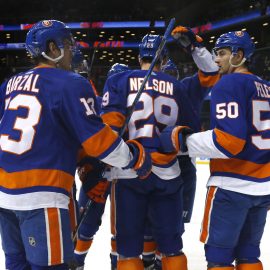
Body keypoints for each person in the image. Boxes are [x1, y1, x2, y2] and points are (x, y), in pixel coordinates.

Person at [0, 20, 151, 270]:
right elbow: (99, 143)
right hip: (41, 196)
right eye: (68, 45)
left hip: (4, 195)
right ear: (52, 47)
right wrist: (133, 157)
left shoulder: (9, 84)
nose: (72, 51)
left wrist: (85, 162)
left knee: (17, 265)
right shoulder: (70, 82)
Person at [160, 30, 270, 270]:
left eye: (221, 53)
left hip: (232, 187)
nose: (217, 59)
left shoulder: (228, 83)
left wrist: (183, 141)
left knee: (219, 258)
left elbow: (229, 142)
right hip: (263, 186)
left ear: (239, 55)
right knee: (249, 255)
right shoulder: (265, 87)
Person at [101, 33, 201, 270]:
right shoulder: (176, 86)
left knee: (127, 252)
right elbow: (191, 130)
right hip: (168, 172)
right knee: (172, 249)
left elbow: (109, 131)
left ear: (138, 57)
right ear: (163, 59)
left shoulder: (119, 81)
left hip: (130, 171)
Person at [73, 63, 130, 270]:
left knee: (120, 228)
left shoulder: (137, 111)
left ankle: (116, 264)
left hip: (122, 175)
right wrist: (87, 170)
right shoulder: (94, 104)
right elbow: (83, 143)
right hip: (97, 173)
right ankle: (77, 262)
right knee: (86, 223)